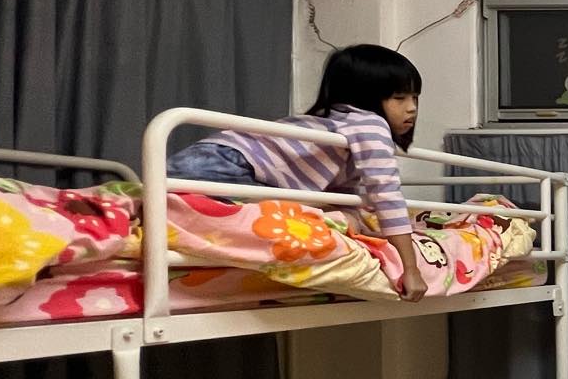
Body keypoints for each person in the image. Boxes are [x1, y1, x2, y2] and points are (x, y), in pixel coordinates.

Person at [166, 44, 428, 301]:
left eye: (415, 97)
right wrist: (411, 268)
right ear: (363, 95)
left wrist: (359, 223)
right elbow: (386, 195)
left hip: (213, 158)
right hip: (228, 164)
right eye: (399, 98)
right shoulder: (371, 124)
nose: (412, 108)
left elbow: (343, 196)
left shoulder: (337, 127)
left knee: (163, 199)